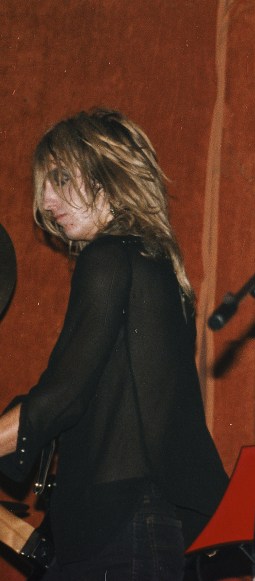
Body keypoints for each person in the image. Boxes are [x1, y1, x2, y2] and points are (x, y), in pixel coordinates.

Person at [0, 108, 228, 580]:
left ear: (108, 176)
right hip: (152, 525)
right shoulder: (157, 265)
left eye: (59, 179)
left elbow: (62, 397)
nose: (45, 202)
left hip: (116, 527)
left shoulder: (106, 259)